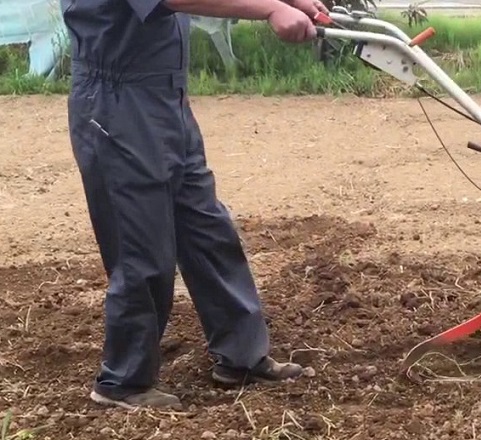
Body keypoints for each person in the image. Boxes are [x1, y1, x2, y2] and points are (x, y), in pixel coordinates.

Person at [60, 0, 327, 411]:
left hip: (164, 95)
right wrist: (270, 9)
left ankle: (241, 356)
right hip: (116, 100)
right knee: (141, 245)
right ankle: (123, 382)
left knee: (207, 229)